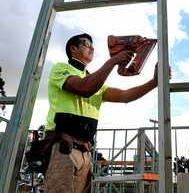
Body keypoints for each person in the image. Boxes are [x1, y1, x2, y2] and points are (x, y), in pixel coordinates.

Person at [44, 33, 160, 193]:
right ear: (73, 48)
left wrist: (154, 82)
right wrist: (113, 61)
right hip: (63, 147)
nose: (92, 47)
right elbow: (84, 88)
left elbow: (125, 95)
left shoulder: (94, 80)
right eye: (86, 44)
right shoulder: (61, 68)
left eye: (92, 45)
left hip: (85, 151)